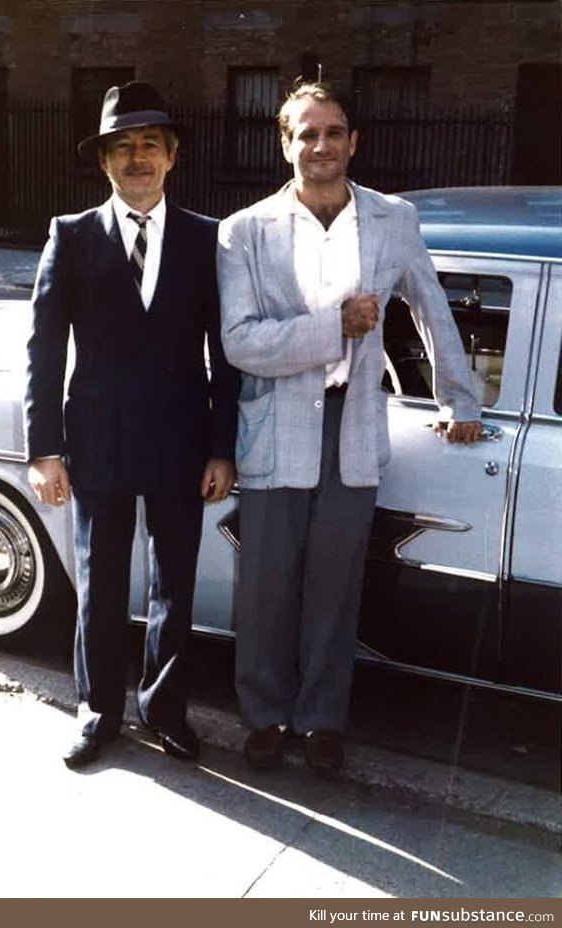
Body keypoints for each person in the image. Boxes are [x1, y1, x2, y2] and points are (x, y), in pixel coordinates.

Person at [217, 81, 481, 777]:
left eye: (333, 132)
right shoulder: (243, 231)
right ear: (285, 144)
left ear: (353, 141)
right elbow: (241, 342)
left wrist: (461, 398)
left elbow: (430, 305)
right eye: (306, 134)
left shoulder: (392, 219)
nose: (321, 146)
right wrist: (334, 326)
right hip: (275, 428)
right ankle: (266, 717)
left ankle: (322, 723)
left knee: (335, 587)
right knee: (267, 584)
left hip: (355, 428)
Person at [24, 81, 239, 769]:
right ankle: (98, 712)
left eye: (149, 145)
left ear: (172, 157)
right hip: (99, 442)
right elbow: (44, 349)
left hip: (182, 441)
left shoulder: (210, 239)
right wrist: (45, 450)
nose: (137, 158)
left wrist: (222, 449)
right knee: (101, 582)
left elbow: (226, 354)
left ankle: (166, 708)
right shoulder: (72, 235)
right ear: (105, 162)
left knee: (174, 585)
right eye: (123, 148)